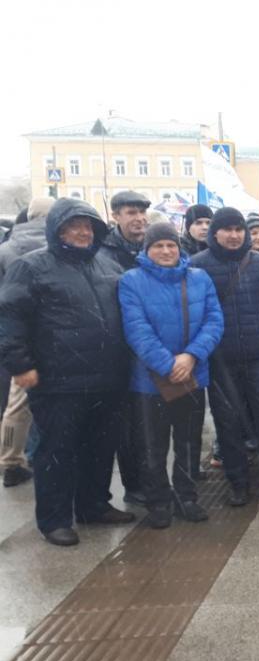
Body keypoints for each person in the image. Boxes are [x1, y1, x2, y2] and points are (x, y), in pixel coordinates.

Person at [0, 199, 136, 546]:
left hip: (107, 378)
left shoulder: (106, 264)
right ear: (57, 230)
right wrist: (20, 365)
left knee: (100, 447)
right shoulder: (30, 267)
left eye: (88, 226)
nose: (82, 232)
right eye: (73, 226)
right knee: (56, 451)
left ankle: (93, 505)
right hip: (58, 381)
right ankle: (54, 519)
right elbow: (10, 318)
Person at [191, 208, 259, 504]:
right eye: (226, 229)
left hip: (256, 357)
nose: (233, 235)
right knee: (228, 424)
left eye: (238, 229)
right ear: (215, 233)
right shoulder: (197, 267)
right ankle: (238, 482)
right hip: (220, 362)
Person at [119, 222, 224, 528]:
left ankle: (186, 496)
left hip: (193, 373)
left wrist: (191, 356)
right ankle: (158, 500)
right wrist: (168, 364)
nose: (166, 251)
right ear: (147, 250)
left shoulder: (199, 278)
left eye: (171, 245)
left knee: (189, 441)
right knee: (152, 445)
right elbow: (137, 330)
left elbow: (214, 321)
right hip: (150, 381)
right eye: (158, 246)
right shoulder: (131, 281)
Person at [96, 190, 151, 505]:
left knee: (148, 425)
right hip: (119, 351)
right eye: (131, 212)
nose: (139, 219)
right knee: (126, 427)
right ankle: (134, 485)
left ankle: (148, 480)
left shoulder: (153, 246)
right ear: (115, 216)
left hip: (151, 350)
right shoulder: (104, 254)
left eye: (142, 213)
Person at [0, 196, 54, 488]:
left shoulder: (6, 249)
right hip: (53, 336)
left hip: (18, 338)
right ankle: (41, 454)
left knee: (17, 403)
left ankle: (10, 461)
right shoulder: (57, 246)